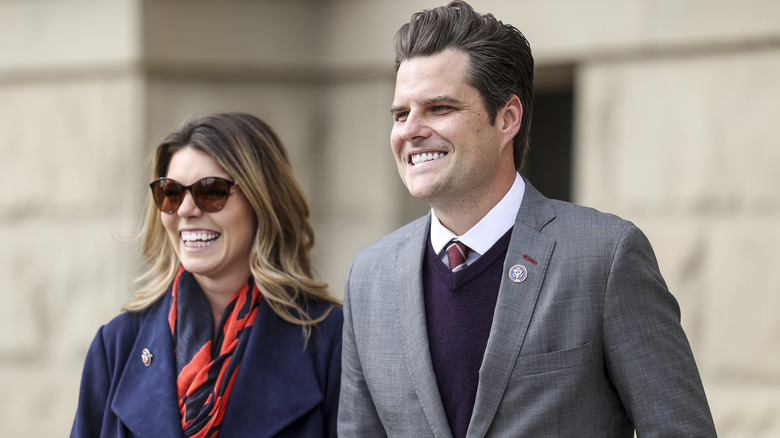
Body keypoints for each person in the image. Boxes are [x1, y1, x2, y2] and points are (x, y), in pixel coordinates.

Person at [338, 1, 717, 437]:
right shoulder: (368, 279)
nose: (410, 130)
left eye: (439, 108)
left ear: (508, 118)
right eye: (401, 113)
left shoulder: (605, 257)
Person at [71, 112, 342, 437]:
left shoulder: (329, 341)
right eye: (171, 193)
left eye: (211, 191)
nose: (185, 209)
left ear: (262, 202)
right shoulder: (117, 346)